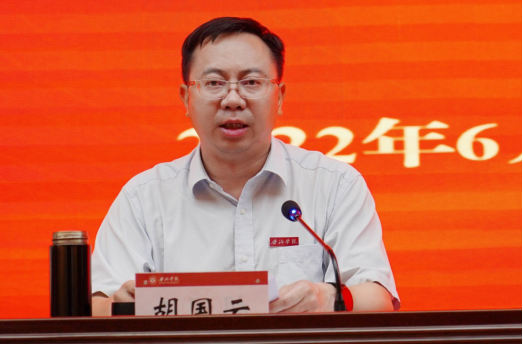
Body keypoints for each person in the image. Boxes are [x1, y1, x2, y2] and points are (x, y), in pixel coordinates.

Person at [91, 17, 399, 316]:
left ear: (279, 97)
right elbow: (96, 306)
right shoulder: (144, 198)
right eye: (214, 83)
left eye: (251, 82)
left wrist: (327, 296)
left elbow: (377, 298)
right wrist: (121, 304)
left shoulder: (334, 184)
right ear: (186, 98)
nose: (233, 100)